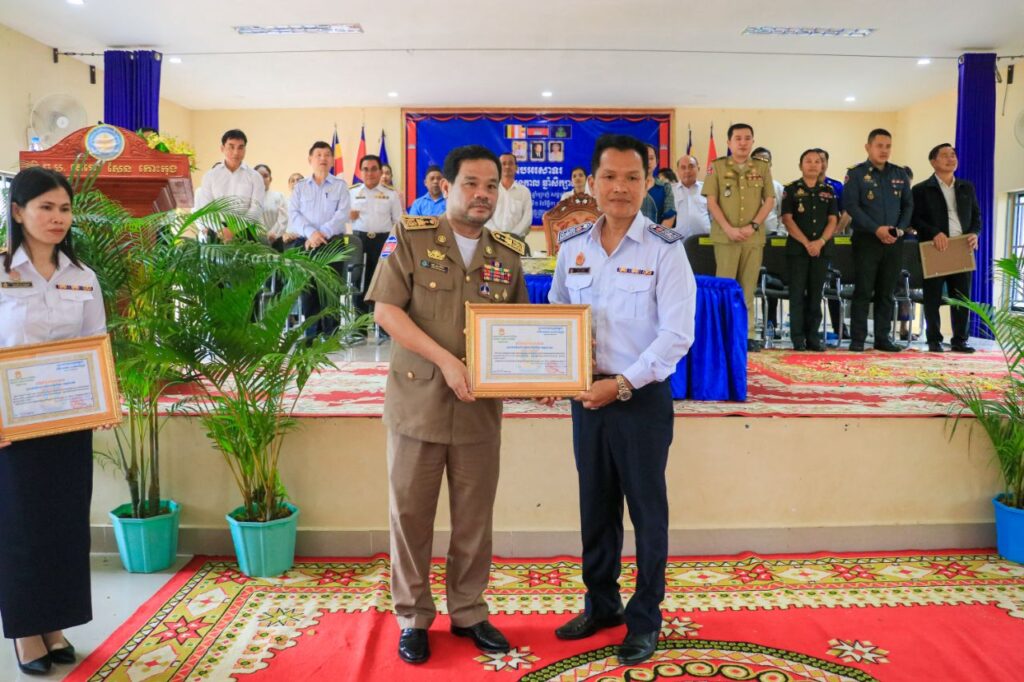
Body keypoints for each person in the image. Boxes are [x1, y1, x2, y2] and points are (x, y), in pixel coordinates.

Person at [367, 145, 529, 665]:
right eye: (471, 184)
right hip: (418, 401)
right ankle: (413, 616)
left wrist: (540, 376)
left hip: (479, 409)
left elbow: (519, 332)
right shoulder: (412, 237)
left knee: (474, 519)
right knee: (410, 515)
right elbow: (387, 312)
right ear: (447, 186)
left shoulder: (507, 253)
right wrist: (446, 361)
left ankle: (468, 610)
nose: (482, 195)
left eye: (490, 186)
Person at [548, 134, 696, 666]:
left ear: (647, 182)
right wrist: (560, 369)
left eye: (632, 177)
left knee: (647, 511)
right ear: (592, 182)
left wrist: (624, 384)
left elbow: (676, 335)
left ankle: (645, 617)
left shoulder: (666, 249)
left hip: (640, 398)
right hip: (587, 396)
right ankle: (602, 605)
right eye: (609, 177)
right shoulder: (573, 245)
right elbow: (557, 311)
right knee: (595, 506)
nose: (620, 188)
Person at [0, 167, 107, 676]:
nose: (57, 218)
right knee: (20, 526)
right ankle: (26, 632)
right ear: (18, 212)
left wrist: (105, 400)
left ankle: (56, 625)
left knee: (64, 526)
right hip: (11, 426)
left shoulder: (82, 277)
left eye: (64, 208)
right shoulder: (1, 273)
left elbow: (97, 343)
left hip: (69, 422)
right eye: (46, 207)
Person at [702, 123, 776, 352]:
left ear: (753, 141)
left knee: (748, 287)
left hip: (753, 238)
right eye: (738, 138)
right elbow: (712, 201)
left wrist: (753, 226)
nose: (743, 142)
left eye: (747, 138)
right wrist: (728, 229)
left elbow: (770, 200)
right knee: (724, 287)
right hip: (726, 238)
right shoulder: (717, 167)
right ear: (729, 142)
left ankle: (748, 334)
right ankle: (723, 333)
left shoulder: (762, 167)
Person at [844, 128, 913, 352]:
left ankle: (883, 338)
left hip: (894, 241)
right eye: (879, 146)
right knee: (863, 290)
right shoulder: (856, 173)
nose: (884, 150)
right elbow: (852, 206)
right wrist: (876, 229)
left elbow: (908, 205)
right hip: (867, 240)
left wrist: (899, 229)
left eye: (888, 146)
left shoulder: (899, 173)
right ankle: (858, 339)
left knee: (887, 292)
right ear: (868, 147)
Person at [911, 143, 982, 353]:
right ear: (933, 162)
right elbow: (915, 219)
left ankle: (960, 340)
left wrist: (974, 233)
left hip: (961, 246)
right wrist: (934, 232)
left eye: (953, 155)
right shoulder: (921, 189)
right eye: (945, 155)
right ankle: (934, 339)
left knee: (961, 296)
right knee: (932, 296)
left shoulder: (966, 187)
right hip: (935, 247)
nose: (951, 159)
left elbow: (977, 216)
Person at [289, 140, 353, 338]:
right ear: (310, 159)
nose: (323, 158)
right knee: (308, 289)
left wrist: (321, 234)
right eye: (318, 155)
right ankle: (311, 334)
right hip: (305, 243)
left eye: (327, 155)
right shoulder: (300, 187)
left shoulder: (340, 186)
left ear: (332, 160)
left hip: (332, 243)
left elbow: (342, 214)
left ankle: (332, 334)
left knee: (331, 289)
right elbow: (294, 214)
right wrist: (311, 233)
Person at [781, 150, 840, 351]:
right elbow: (787, 219)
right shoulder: (791, 189)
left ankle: (813, 337)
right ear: (800, 165)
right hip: (798, 250)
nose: (813, 165)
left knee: (816, 295)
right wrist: (807, 243)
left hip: (821, 250)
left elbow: (833, 220)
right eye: (808, 161)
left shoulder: (829, 190)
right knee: (797, 294)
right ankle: (798, 338)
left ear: (822, 166)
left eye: (817, 161)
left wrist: (820, 242)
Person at [350, 154, 403, 318]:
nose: (369, 173)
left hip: (383, 242)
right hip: (359, 241)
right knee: (359, 281)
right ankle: (360, 325)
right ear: (360, 172)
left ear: (380, 172)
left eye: (374, 169)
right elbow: (341, 219)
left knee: (382, 282)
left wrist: (394, 246)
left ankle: (381, 323)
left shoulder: (391, 194)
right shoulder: (351, 192)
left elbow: (398, 222)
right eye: (365, 169)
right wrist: (348, 216)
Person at [193, 129, 265, 242]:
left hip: (246, 230)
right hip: (216, 230)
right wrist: (221, 230)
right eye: (231, 147)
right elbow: (206, 209)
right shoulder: (210, 176)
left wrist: (234, 228)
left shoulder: (255, 177)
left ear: (245, 149)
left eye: (240, 147)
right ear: (222, 148)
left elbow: (256, 208)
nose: (236, 152)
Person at [486, 153, 533, 245]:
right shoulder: (490, 189)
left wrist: (512, 237)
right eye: (503, 164)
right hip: (492, 240)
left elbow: (527, 218)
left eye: (510, 163)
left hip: (517, 241)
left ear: (516, 168)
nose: (507, 166)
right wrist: (499, 236)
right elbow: (485, 215)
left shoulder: (524, 191)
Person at [673, 154, 711, 240]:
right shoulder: (671, 191)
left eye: (691, 167)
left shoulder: (707, 189)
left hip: (704, 240)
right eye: (683, 167)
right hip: (678, 242)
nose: (687, 171)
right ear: (677, 171)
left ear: (698, 169)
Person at [253, 164, 290, 244]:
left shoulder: (279, 196)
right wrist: (263, 234)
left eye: (265, 176)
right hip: (256, 241)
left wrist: (274, 233)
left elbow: (284, 217)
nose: (262, 179)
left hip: (276, 240)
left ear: (270, 179)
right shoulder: (250, 199)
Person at [644, 144, 677, 227]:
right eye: (644, 157)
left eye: (651, 158)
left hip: (658, 234)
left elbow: (669, 217)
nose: (648, 162)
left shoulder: (665, 187)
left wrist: (656, 235)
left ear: (656, 162)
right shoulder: (629, 186)